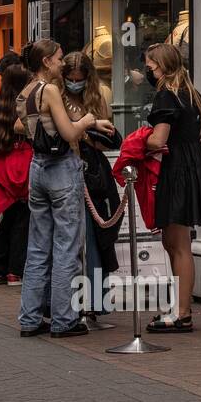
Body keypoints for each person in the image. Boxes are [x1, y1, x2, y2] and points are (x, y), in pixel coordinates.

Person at [16, 39, 114, 339]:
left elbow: (27, 127)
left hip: (37, 168)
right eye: (58, 58)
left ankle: (30, 318)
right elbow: (70, 131)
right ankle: (64, 319)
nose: (61, 63)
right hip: (61, 168)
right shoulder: (50, 90)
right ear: (46, 61)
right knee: (67, 247)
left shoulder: (25, 92)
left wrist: (88, 120)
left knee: (37, 247)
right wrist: (87, 120)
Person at [143, 42, 201, 333]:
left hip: (177, 171)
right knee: (174, 242)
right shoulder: (192, 94)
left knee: (178, 244)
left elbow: (158, 141)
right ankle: (179, 307)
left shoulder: (166, 96)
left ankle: (182, 312)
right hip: (193, 165)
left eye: (150, 66)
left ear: (161, 66)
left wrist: (141, 140)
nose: (148, 71)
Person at [61, 52, 121, 317]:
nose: (75, 83)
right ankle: (75, 299)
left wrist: (82, 132)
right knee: (74, 239)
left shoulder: (97, 97)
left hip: (94, 174)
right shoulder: (55, 97)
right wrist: (83, 130)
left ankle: (95, 298)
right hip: (67, 171)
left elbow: (109, 137)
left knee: (96, 238)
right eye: (71, 79)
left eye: (80, 79)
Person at [0, 63, 32, 285]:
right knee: (22, 221)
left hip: (4, 164)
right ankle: (15, 270)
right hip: (24, 161)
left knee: (7, 219)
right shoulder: (26, 105)